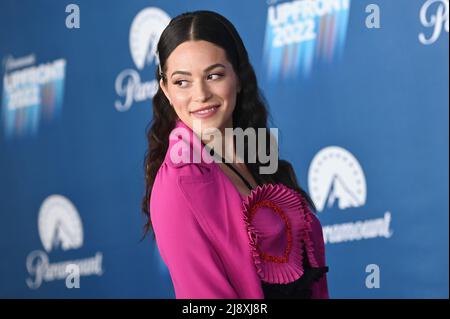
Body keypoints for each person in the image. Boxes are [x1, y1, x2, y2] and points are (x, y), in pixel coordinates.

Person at [142, 10, 329, 299]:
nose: (201, 94)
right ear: (165, 89)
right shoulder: (179, 183)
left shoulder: (253, 153)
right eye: (182, 82)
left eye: (213, 75)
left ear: (238, 77)